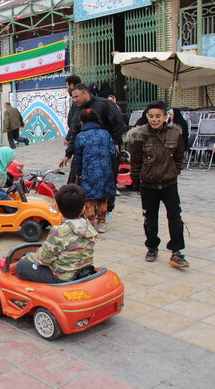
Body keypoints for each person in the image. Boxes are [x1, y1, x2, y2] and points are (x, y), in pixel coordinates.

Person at [128, 100, 188, 267]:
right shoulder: (141, 135)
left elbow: (179, 158)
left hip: (169, 184)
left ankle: (176, 251)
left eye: (158, 116)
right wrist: (136, 182)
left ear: (165, 117)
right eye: (151, 116)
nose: (154, 120)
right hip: (148, 185)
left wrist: (174, 172)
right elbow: (136, 161)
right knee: (150, 218)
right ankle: (152, 247)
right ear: (147, 117)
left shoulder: (175, 134)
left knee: (175, 217)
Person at [59, 83, 124, 221]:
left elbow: (118, 123)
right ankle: (83, 212)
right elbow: (74, 132)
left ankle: (107, 211)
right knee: (80, 183)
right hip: (87, 158)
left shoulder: (104, 104)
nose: (74, 100)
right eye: (72, 98)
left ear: (85, 93)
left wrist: (116, 142)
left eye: (76, 96)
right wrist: (68, 154)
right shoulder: (78, 109)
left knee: (107, 183)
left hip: (106, 154)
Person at [16, 184, 97, 283]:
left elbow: (44, 260)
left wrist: (28, 256)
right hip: (83, 271)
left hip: (63, 277)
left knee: (21, 265)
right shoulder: (88, 226)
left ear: (57, 207)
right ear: (83, 208)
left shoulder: (59, 231)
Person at [73, 108, 116, 233]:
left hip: (88, 172)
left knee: (89, 198)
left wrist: (78, 173)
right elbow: (113, 153)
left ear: (82, 122)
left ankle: (90, 222)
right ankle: (101, 223)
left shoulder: (80, 136)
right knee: (103, 197)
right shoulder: (105, 134)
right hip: (105, 171)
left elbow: (78, 158)